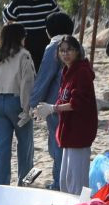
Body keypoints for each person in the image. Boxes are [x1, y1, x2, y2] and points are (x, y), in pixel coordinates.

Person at [28, 11, 75, 189]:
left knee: (57, 143)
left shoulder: (54, 46)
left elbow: (44, 78)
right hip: (72, 100)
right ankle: (67, 181)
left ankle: (58, 183)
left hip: (55, 103)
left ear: (49, 31)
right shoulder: (76, 46)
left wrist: (32, 104)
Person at [0, 22, 36, 185]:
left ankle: (1, 184)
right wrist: (26, 108)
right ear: (20, 37)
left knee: (2, 147)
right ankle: (26, 183)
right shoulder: (23, 54)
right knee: (25, 145)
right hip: (15, 101)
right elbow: (26, 82)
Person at [52, 34, 97, 196]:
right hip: (68, 134)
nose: (65, 54)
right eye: (62, 51)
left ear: (77, 51)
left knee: (77, 185)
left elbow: (77, 103)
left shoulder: (82, 72)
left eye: (69, 50)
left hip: (79, 133)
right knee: (65, 182)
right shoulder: (67, 72)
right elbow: (63, 98)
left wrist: (53, 109)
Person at [2, 0, 60, 68]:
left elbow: (7, 21)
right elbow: (58, 19)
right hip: (46, 45)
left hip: (24, 46)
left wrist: (6, 7)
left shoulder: (16, 3)